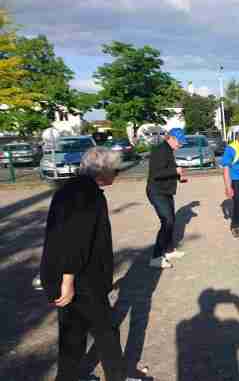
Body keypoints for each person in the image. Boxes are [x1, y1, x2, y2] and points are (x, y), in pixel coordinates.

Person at [40, 147, 126, 381]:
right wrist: (68, 281)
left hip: (68, 275)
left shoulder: (69, 189)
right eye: (115, 171)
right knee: (106, 331)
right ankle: (117, 377)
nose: (116, 175)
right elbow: (76, 240)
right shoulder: (88, 195)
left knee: (73, 333)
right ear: (103, 171)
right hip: (83, 279)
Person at [147, 128, 187, 269]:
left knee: (171, 221)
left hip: (166, 191)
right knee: (167, 221)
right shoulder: (159, 150)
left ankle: (169, 251)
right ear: (172, 138)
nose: (180, 146)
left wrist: (178, 176)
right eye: (179, 143)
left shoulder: (168, 150)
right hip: (157, 192)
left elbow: (167, 168)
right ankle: (156, 257)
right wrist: (175, 170)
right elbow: (156, 173)